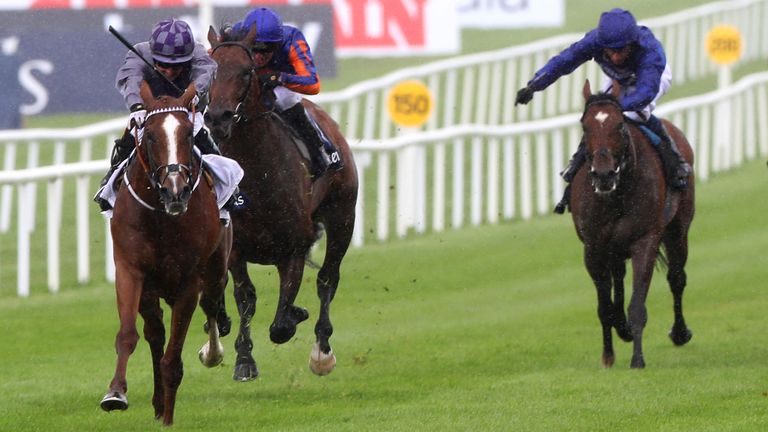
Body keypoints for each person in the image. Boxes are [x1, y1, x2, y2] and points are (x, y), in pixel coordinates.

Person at [514, 8, 692, 214]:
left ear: (632, 44)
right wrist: (534, 86)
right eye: (610, 51)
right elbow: (564, 61)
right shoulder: (594, 41)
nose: (615, 57)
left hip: (652, 79)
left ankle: (674, 159)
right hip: (619, 79)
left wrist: (616, 109)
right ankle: (576, 166)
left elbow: (646, 91)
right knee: (599, 121)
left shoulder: (650, 51)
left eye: (621, 50)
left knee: (636, 114)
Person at [95, 18, 230, 211]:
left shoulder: (198, 53)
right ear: (153, 54)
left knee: (203, 140)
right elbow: (130, 79)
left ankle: (228, 193)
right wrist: (136, 107)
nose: (169, 71)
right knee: (130, 138)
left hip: (186, 113)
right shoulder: (138, 53)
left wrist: (193, 94)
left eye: (177, 67)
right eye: (163, 65)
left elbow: (205, 73)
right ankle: (110, 185)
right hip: (150, 114)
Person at [230, 7, 343, 178]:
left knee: (286, 99)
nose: (259, 56)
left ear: (277, 43)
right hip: (247, 81)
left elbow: (313, 84)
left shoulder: (292, 40)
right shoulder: (236, 35)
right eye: (255, 48)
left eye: (266, 49)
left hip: (280, 84)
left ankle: (321, 148)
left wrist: (280, 77)